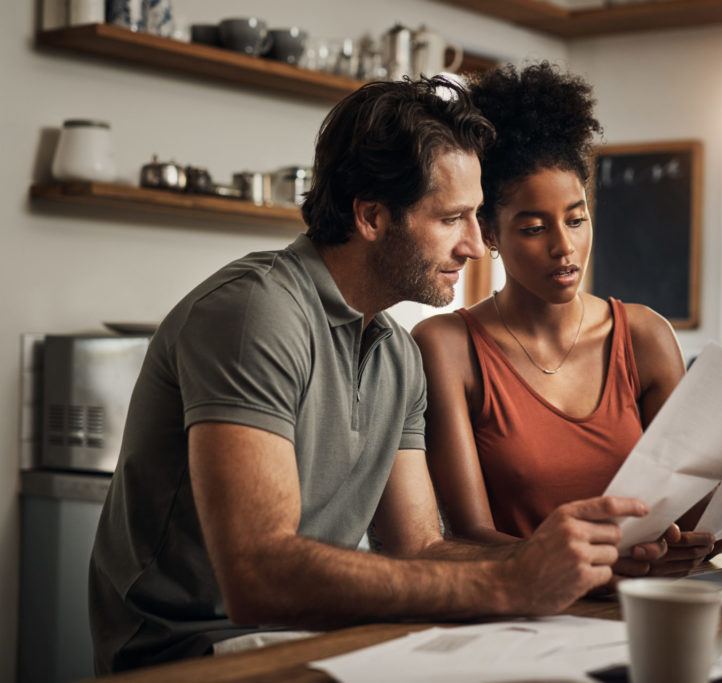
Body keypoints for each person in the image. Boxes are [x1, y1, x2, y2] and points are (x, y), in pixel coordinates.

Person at [88, 77, 663, 674]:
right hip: (191, 652)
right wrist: (508, 585)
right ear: (371, 215)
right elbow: (257, 575)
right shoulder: (256, 313)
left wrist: (564, 563)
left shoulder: (395, 351)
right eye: (452, 219)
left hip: (312, 640)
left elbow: (421, 548)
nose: (474, 245)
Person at [412, 63, 722, 580]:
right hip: (524, 616)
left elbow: (695, 522)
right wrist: (602, 565)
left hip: (644, 608)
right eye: (534, 227)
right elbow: (469, 537)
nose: (565, 247)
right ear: (488, 232)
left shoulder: (643, 336)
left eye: (577, 219)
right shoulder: (447, 346)